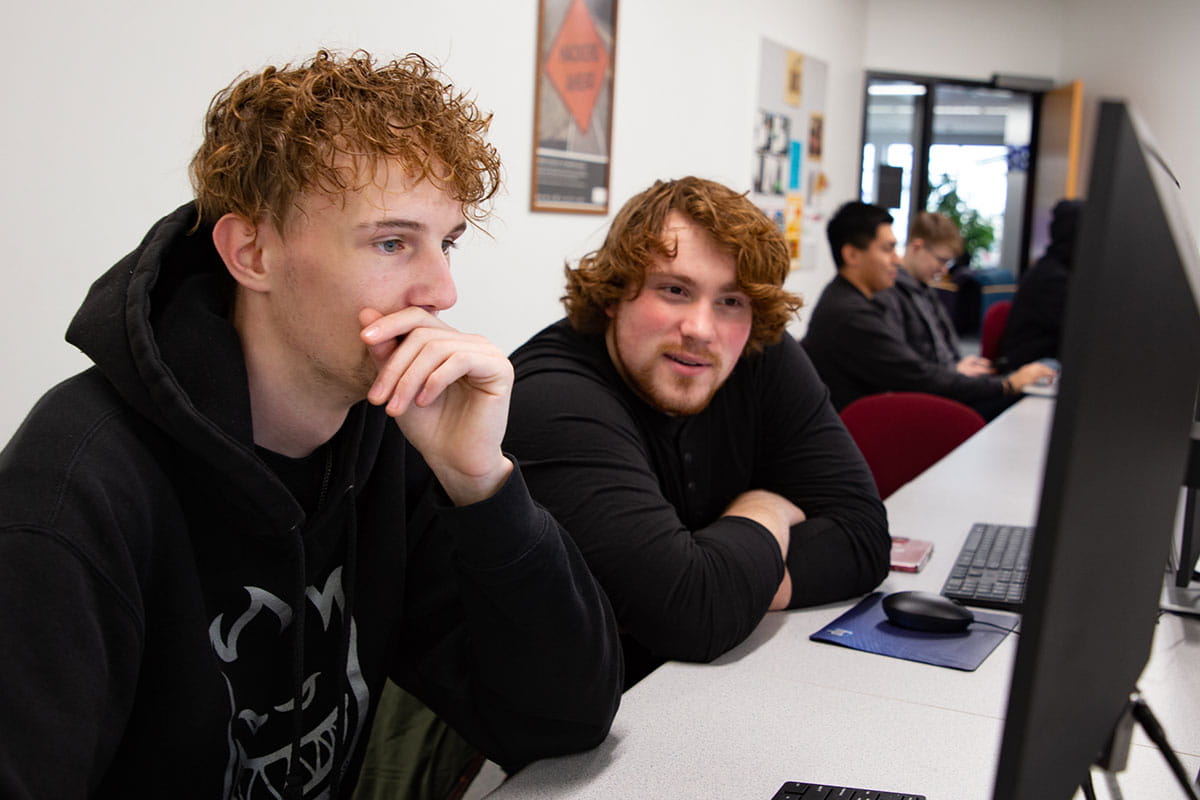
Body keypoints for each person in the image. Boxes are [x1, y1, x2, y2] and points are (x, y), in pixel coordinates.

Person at [0, 50, 622, 798]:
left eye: (446, 243)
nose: (442, 290)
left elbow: (563, 724)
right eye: (393, 243)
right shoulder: (71, 495)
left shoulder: (390, 437)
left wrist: (482, 484)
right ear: (252, 252)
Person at [504, 177, 890, 686]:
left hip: (712, 690)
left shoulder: (759, 352)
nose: (702, 329)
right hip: (569, 721)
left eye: (731, 301)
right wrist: (766, 509)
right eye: (675, 290)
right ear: (615, 294)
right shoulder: (551, 396)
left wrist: (717, 575)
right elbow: (692, 615)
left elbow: (864, 538)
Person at [802, 201, 1055, 419]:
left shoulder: (852, 301)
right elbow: (917, 376)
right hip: (879, 432)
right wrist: (1007, 385)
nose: (897, 259)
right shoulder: (851, 315)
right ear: (852, 255)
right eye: (887, 249)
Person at [879, 211, 992, 378]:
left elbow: (943, 350)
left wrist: (959, 365)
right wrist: (954, 371)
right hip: (928, 389)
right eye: (942, 260)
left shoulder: (925, 290)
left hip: (947, 379)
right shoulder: (890, 294)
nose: (944, 269)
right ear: (917, 247)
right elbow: (907, 368)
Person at [999, 199, 1084, 370]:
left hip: (1042, 362)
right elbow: (1078, 333)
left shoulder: (1054, 268)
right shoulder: (1052, 279)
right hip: (1029, 368)